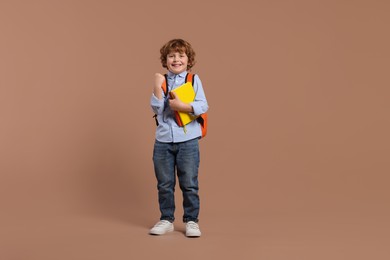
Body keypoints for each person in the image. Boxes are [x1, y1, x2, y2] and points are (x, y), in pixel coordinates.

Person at [149, 39, 208, 237]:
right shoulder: (163, 80)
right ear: (165, 60)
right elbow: (157, 108)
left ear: (188, 59)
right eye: (171, 56)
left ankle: (192, 221)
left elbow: (203, 105)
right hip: (163, 141)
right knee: (164, 183)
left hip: (188, 141)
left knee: (189, 183)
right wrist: (157, 86)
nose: (176, 59)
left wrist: (184, 107)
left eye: (181, 55)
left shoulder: (193, 79)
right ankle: (166, 219)